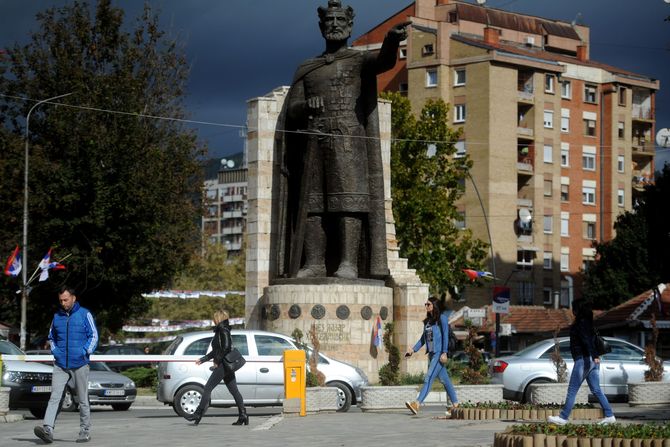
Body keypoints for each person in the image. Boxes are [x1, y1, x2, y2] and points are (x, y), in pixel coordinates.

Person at [274, 0, 407, 280]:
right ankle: (314, 263)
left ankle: (348, 262)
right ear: (322, 27)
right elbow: (292, 109)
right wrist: (307, 106)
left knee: (349, 202)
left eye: (339, 21)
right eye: (329, 21)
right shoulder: (308, 68)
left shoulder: (358, 61)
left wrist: (391, 41)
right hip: (313, 143)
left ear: (349, 26)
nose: (334, 25)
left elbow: (384, 61)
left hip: (348, 142)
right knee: (313, 205)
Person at [35, 286, 98, 444]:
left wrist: (85, 351)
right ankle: (48, 429)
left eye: (66, 299)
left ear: (73, 298)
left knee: (82, 399)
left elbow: (94, 335)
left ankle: (85, 431)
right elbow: (51, 337)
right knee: (54, 397)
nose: (63, 303)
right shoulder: (57, 317)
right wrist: (55, 352)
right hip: (60, 364)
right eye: (61, 300)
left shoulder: (85, 314)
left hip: (80, 363)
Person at [548, 299, 615, 425]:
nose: (571, 311)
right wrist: (595, 357)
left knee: (572, 390)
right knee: (596, 390)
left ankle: (563, 418)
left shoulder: (581, 324)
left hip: (584, 360)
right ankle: (609, 415)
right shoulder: (589, 323)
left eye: (572, 308)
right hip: (593, 361)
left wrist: (594, 355)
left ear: (576, 310)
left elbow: (586, 341)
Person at [185, 310, 246, 426]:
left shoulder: (223, 330)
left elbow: (226, 348)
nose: (213, 320)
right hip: (226, 364)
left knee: (207, 388)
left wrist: (217, 362)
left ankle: (198, 414)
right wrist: (204, 359)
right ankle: (243, 415)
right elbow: (217, 350)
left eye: (214, 318)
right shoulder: (220, 330)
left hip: (223, 364)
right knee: (234, 391)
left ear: (218, 318)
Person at [404, 297, 459, 416]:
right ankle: (456, 405)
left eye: (428, 304)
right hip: (432, 354)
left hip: (439, 354)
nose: (426, 306)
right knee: (445, 380)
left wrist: (444, 352)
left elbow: (445, 336)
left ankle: (417, 404)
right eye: (425, 304)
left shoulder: (442, 319)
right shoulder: (428, 322)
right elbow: (423, 339)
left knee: (428, 378)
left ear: (434, 305)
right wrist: (413, 350)